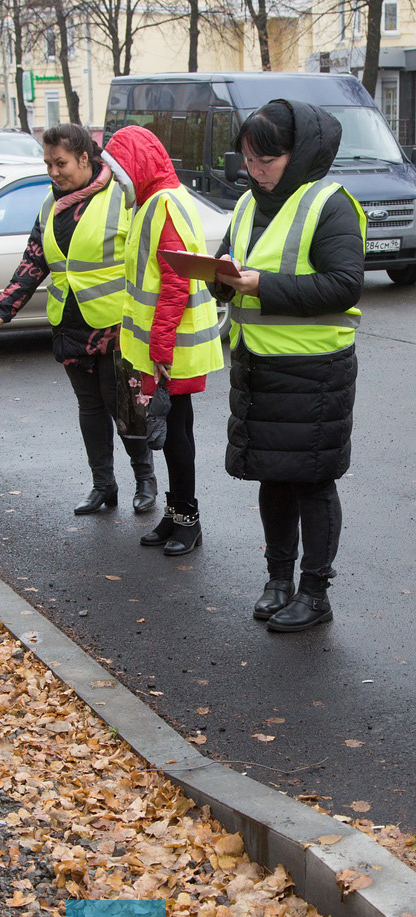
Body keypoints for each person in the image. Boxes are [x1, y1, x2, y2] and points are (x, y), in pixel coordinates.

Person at [213, 99, 365, 632]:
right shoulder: (247, 204)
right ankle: (278, 580)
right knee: (272, 478)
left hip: (314, 371)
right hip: (258, 366)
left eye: (265, 162)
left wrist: (262, 285)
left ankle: (315, 592)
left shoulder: (330, 203)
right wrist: (218, 277)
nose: (254, 172)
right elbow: (233, 265)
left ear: (296, 155)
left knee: (312, 481)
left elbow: (345, 285)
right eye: (248, 161)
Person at [0, 123, 157, 516]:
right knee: (89, 408)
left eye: (61, 163)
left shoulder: (121, 197)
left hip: (115, 325)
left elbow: (145, 263)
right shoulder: (49, 205)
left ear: (85, 159)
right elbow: (33, 262)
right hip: (69, 323)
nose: (53, 172)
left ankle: (145, 481)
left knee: (124, 407)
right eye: (48, 164)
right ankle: (103, 486)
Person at [103, 125, 224, 555]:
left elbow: (174, 282)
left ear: (136, 165)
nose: (118, 182)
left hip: (172, 348)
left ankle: (187, 521)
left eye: (120, 172)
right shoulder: (160, 200)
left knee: (176, 433)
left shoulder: (161, 204)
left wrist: (159, 350)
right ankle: (176, 517)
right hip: (168, 344)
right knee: (175, 431)